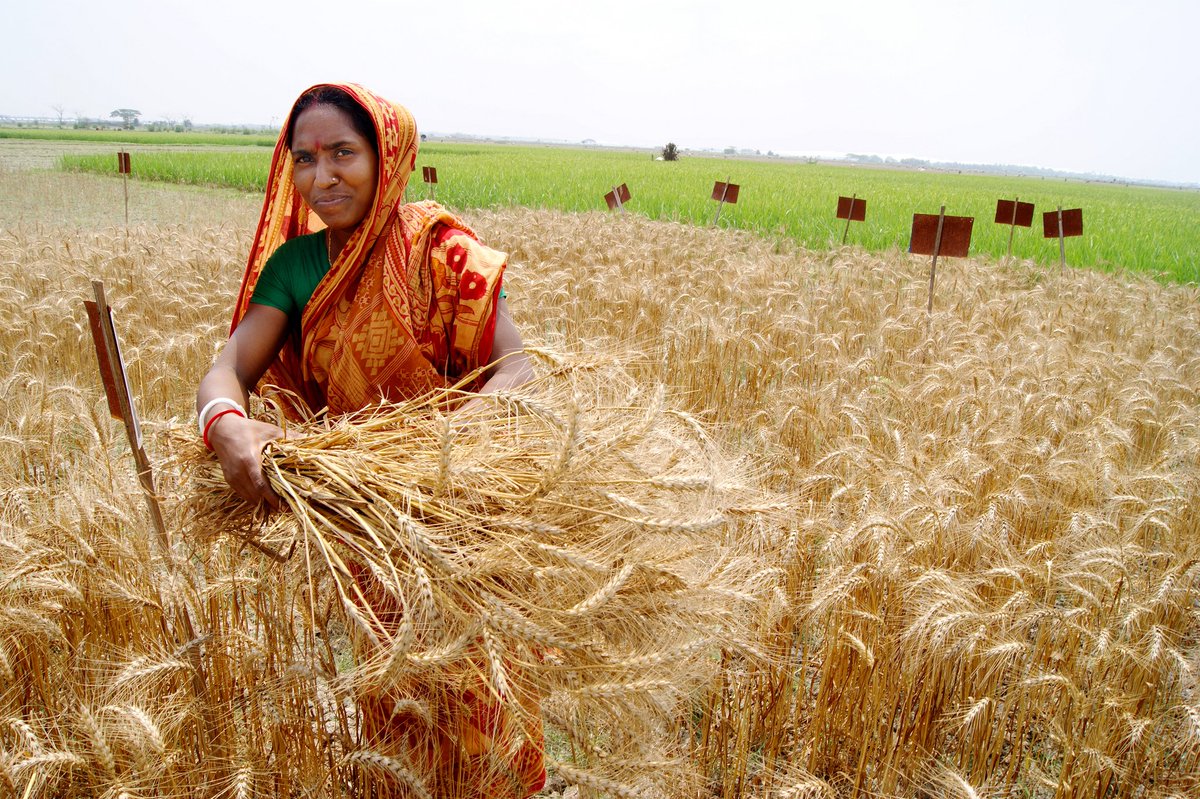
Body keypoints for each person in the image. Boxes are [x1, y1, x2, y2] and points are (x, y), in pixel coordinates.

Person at [195, 83, 542, 798]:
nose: (322, 177)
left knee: (485, 715)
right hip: (371, 537)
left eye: (343, 153)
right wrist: (225, 427)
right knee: (396, 713)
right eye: (304, 159)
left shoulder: (441, 252)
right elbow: (227, 369)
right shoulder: (294, 268)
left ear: (388, 157)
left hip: (466, 522)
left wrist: (441, 454)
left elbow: (518, 369)